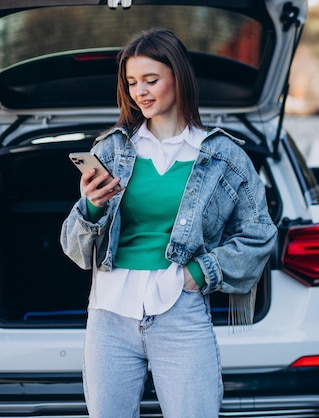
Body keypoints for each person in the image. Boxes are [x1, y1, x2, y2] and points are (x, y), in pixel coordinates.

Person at [60, 28, 277, 418]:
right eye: (131, 82)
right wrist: (91, 208)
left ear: (178, 77)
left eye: (150, 80)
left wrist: (199, 272)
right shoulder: (109, 149)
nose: (139, 91)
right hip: (109, 316)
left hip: (180, 312)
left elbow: (260, 233)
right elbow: (75, 250)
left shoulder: (222, 155)